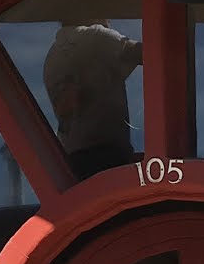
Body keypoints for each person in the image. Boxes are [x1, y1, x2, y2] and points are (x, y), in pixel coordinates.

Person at [42, 22, 143, 179]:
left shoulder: (53, 54)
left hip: (73, 158)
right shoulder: (96, 36)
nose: (109, 21)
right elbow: (148, 53)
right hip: (108, 155)